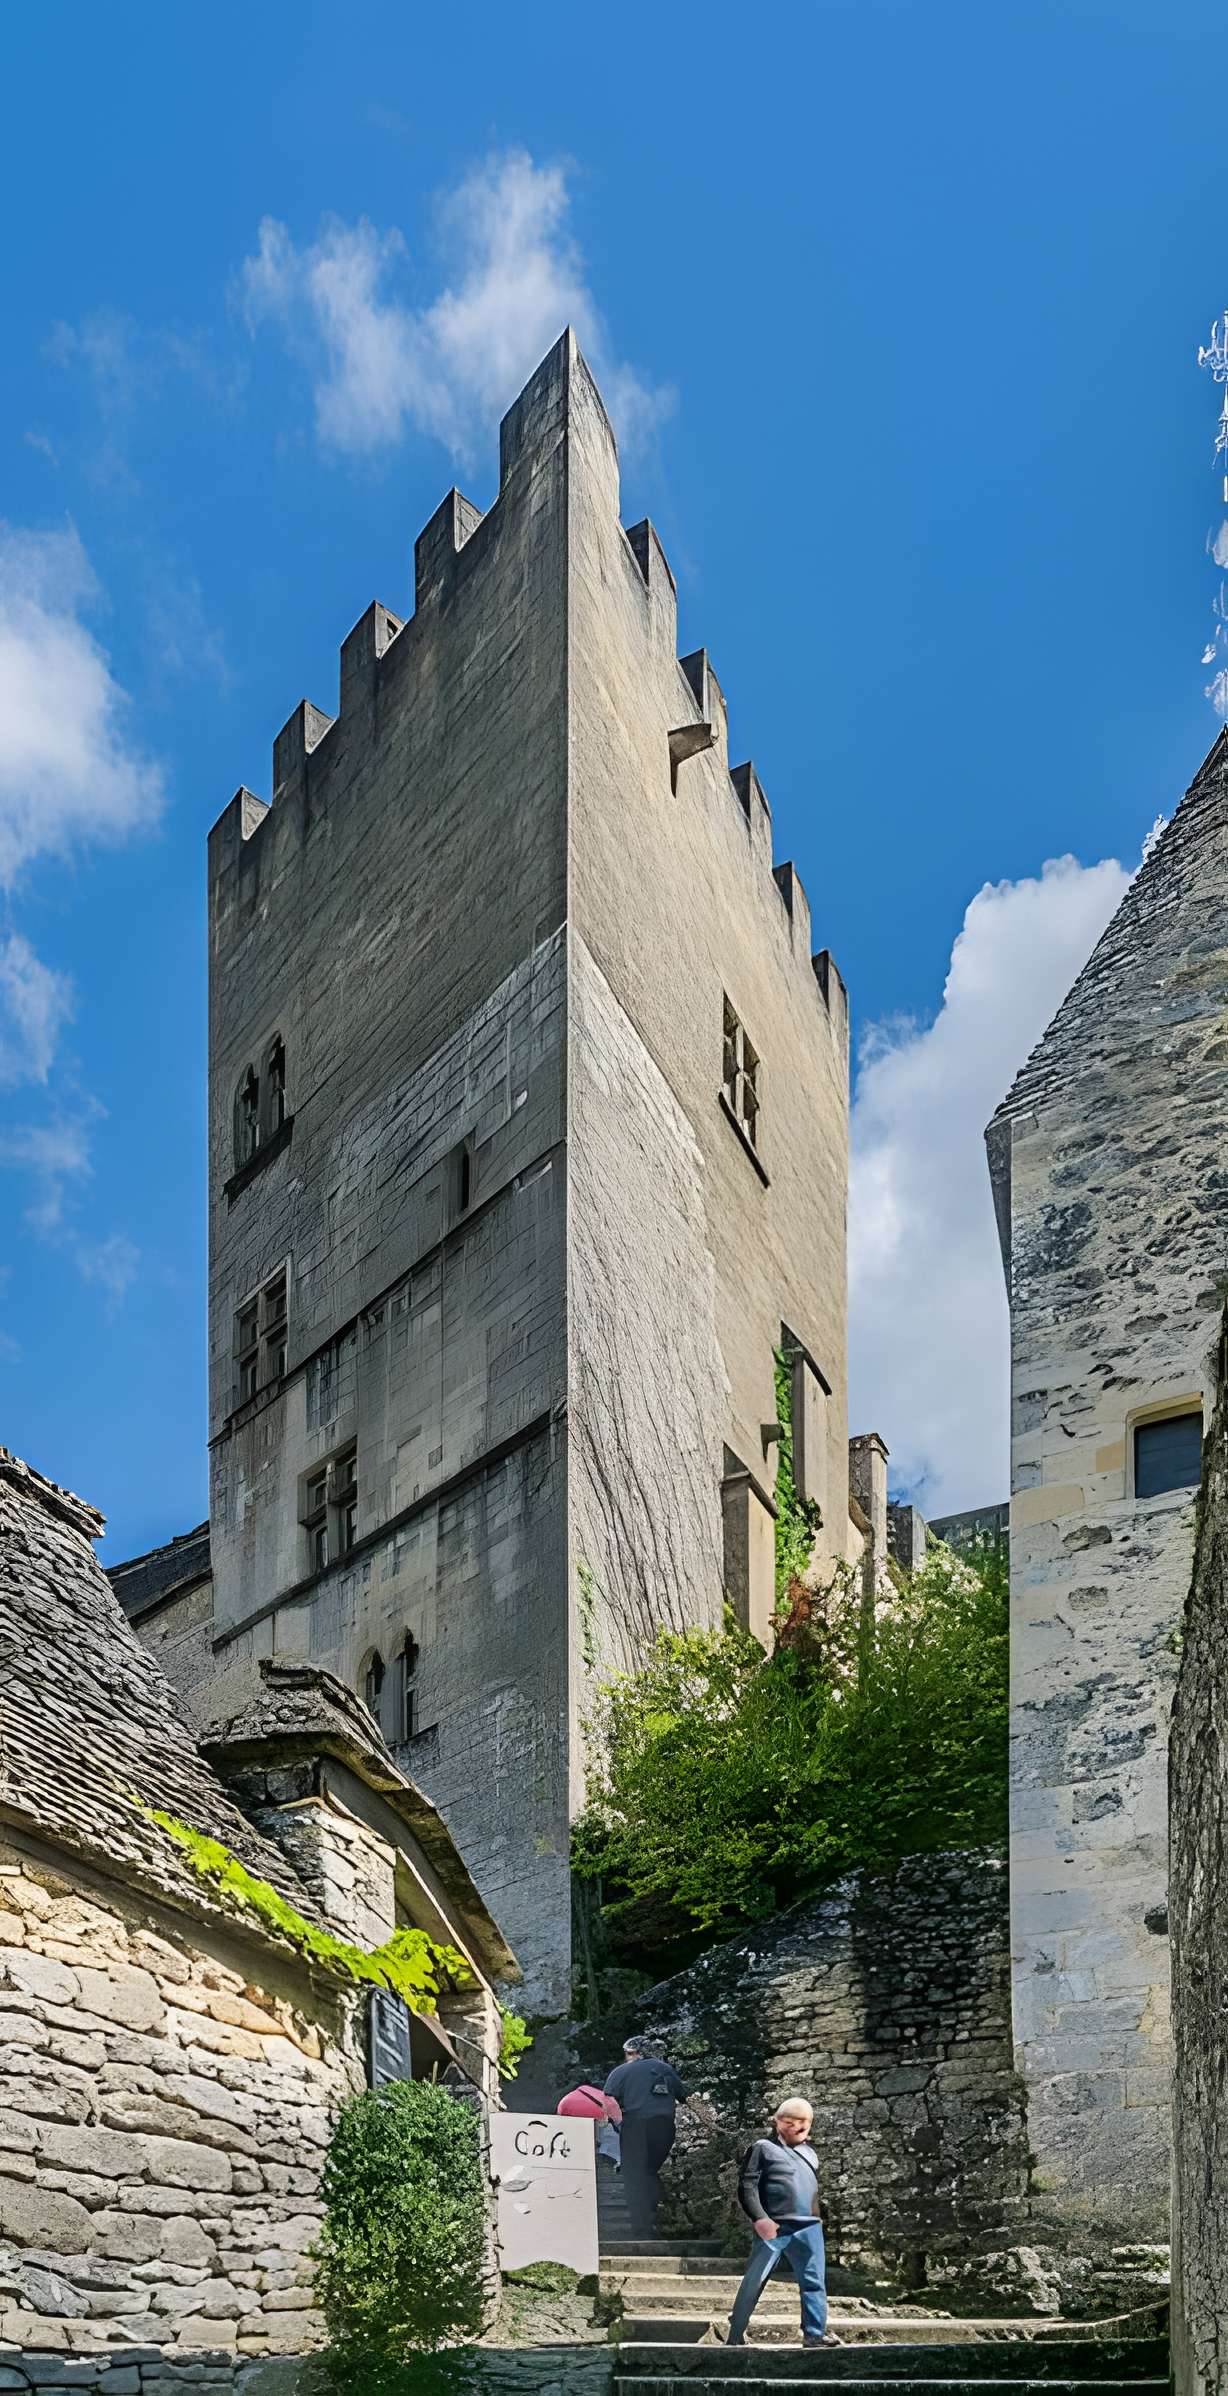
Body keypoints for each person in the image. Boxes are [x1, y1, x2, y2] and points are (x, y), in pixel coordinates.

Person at [722, 2097, 840, 2349]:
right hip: (774, 2226)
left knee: (814, 2282)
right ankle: (735, 2333)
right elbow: (747, 2186)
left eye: (803, 2123)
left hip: (809, 2226)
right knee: (755, 2279)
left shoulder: (810, 2154)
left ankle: (814, 2334)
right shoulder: (762, 2148)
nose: (797, 2127)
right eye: (790, 2122)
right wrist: (760, 2218)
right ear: (777, 2122)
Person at [603, 2035, 713, 2239]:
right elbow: (689, 2098)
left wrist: (618, 2124)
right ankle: (658, 2210)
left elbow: (608, 2102)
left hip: (635, 2125)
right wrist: (711, 2124)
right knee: (649, 2171)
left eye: (628, 2053)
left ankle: (643, 2230)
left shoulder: (621, 2072)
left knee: (634, 2176)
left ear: (634, 2053)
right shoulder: (666, 2069)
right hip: (664, 2128)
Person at [557, 2080, 622, 2166]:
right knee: (610, 2134)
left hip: (564, 2108)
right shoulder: (608, 2097)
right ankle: (607, 2155)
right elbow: (619, 2121)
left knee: (577, 2138)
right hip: (594, 2117)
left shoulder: (576, 2092)